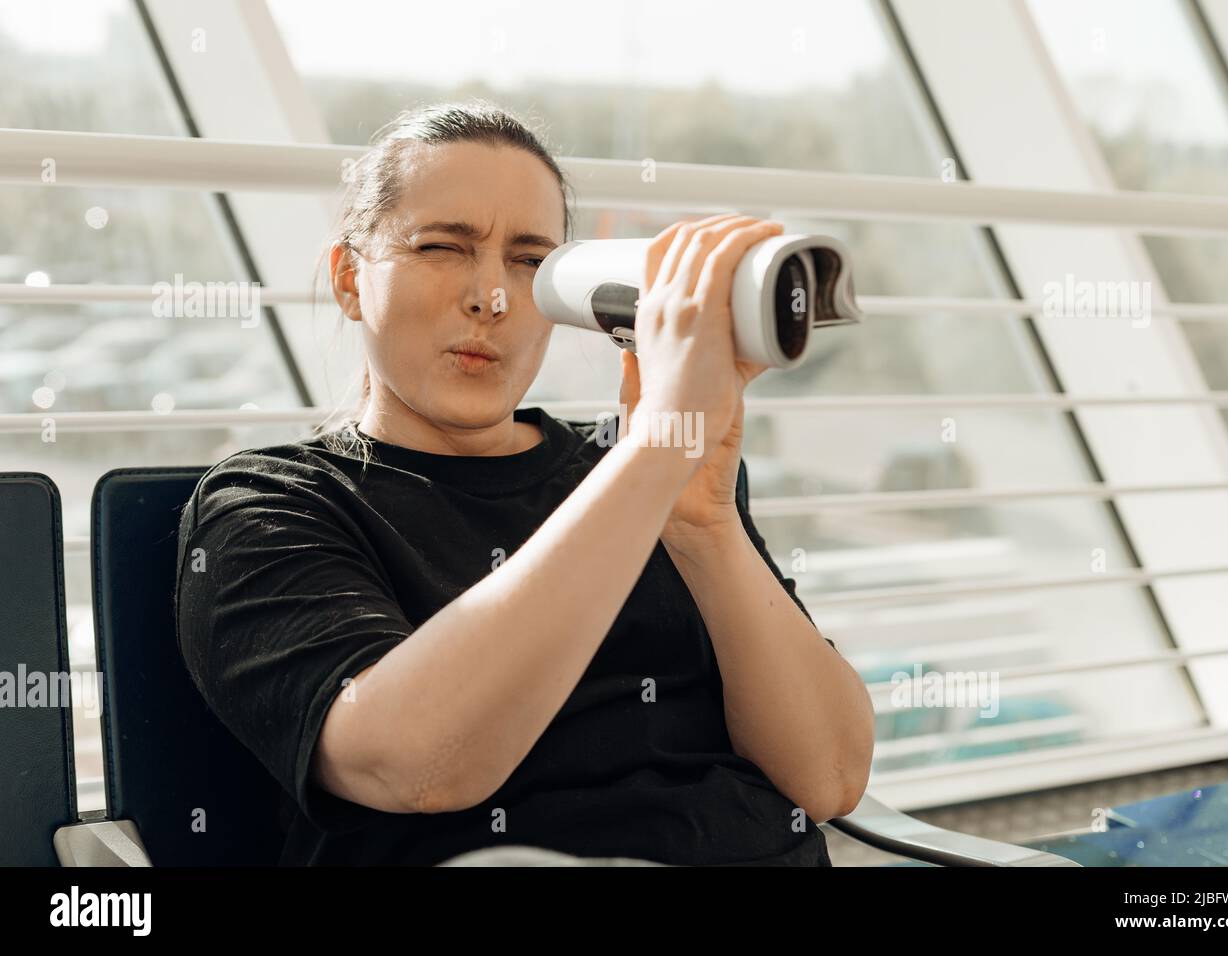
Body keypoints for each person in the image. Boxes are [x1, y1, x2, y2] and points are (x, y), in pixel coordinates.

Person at [173, 101, 874, 867]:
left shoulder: (653, 477)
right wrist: (648, 458)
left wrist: (703, 523)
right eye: (443, 246)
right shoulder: (271, 505)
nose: (491, 298)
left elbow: (830, 778)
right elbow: (415, 766)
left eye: (530, 261)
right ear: (349, 278)